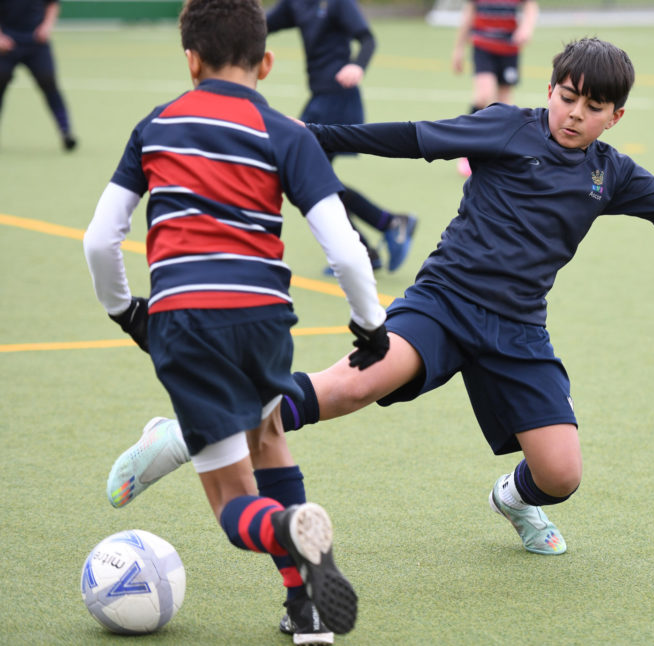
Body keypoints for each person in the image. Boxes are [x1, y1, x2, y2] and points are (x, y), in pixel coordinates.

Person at [105, 38, 654, 563]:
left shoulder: (612, 174)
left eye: (593, 108)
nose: (574, 114)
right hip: (443, 302)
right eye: (567, 97)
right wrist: (313, 133)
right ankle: (188, 431)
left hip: (519, 331)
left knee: (561, 475)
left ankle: (511, 498)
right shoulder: (507, 127)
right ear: (551, 89)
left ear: (614, 117)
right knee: (352, 386)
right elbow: (411, 136)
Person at [83, 0, 392, 642]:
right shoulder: (288, 133)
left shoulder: (156, 125)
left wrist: (126, 311)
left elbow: (98, 240)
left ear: (191, 60)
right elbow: (344, 249)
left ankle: (284, 529)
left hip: (188, 320)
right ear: (268, 61)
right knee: (270, 436)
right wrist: (372, 325)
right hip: (265, 319)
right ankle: (306, 611)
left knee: (233, 505)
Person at [266, 0, 418, 274]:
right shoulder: (295, 4)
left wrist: (357, 66)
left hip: (339, 98)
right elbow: (260, 26)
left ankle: (380, 233)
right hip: (319, 100)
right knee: (312, 178)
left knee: (311, 177)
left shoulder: (337, 2)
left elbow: (368, 39)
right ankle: (383, 231)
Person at [451, 0, 538, 177]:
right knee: (483, 96)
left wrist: (526, 28)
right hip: (483, 46)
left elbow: (531, 6)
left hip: (509, 49)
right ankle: (467, 149)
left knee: (504, 106)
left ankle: (500, 154)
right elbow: (468, 14)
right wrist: (459, 48)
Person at [0, 0, 76, 150]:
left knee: (48, 81)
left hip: (36, 41)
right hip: (6, 42)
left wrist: (47, 26)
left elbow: (52, 4)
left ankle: (66, 132)